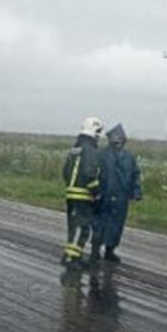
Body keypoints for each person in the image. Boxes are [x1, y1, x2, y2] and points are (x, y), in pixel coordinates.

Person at [60, 116, 104, 281]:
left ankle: (71, 255)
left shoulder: (75, 148)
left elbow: (65, 171)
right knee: (81, 228)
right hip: (83, 196)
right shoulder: (91, 150)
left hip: (71, 194)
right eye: (99, 132)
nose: (100, 136)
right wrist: (96, 192)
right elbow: (88, 173)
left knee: (73, 226)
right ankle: (72, 260)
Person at [90, 124, 142, 263]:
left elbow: (135, 175)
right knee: (99, 223)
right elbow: (92, 174)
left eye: (120, 138)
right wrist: (93, 192)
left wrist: (136, 192)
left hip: (121, 197)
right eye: (115, 139)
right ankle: (95, 250)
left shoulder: (129, 157)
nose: (117, 141)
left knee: (117, 225)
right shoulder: (101, 155)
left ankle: (110, 250)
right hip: (103, 195)